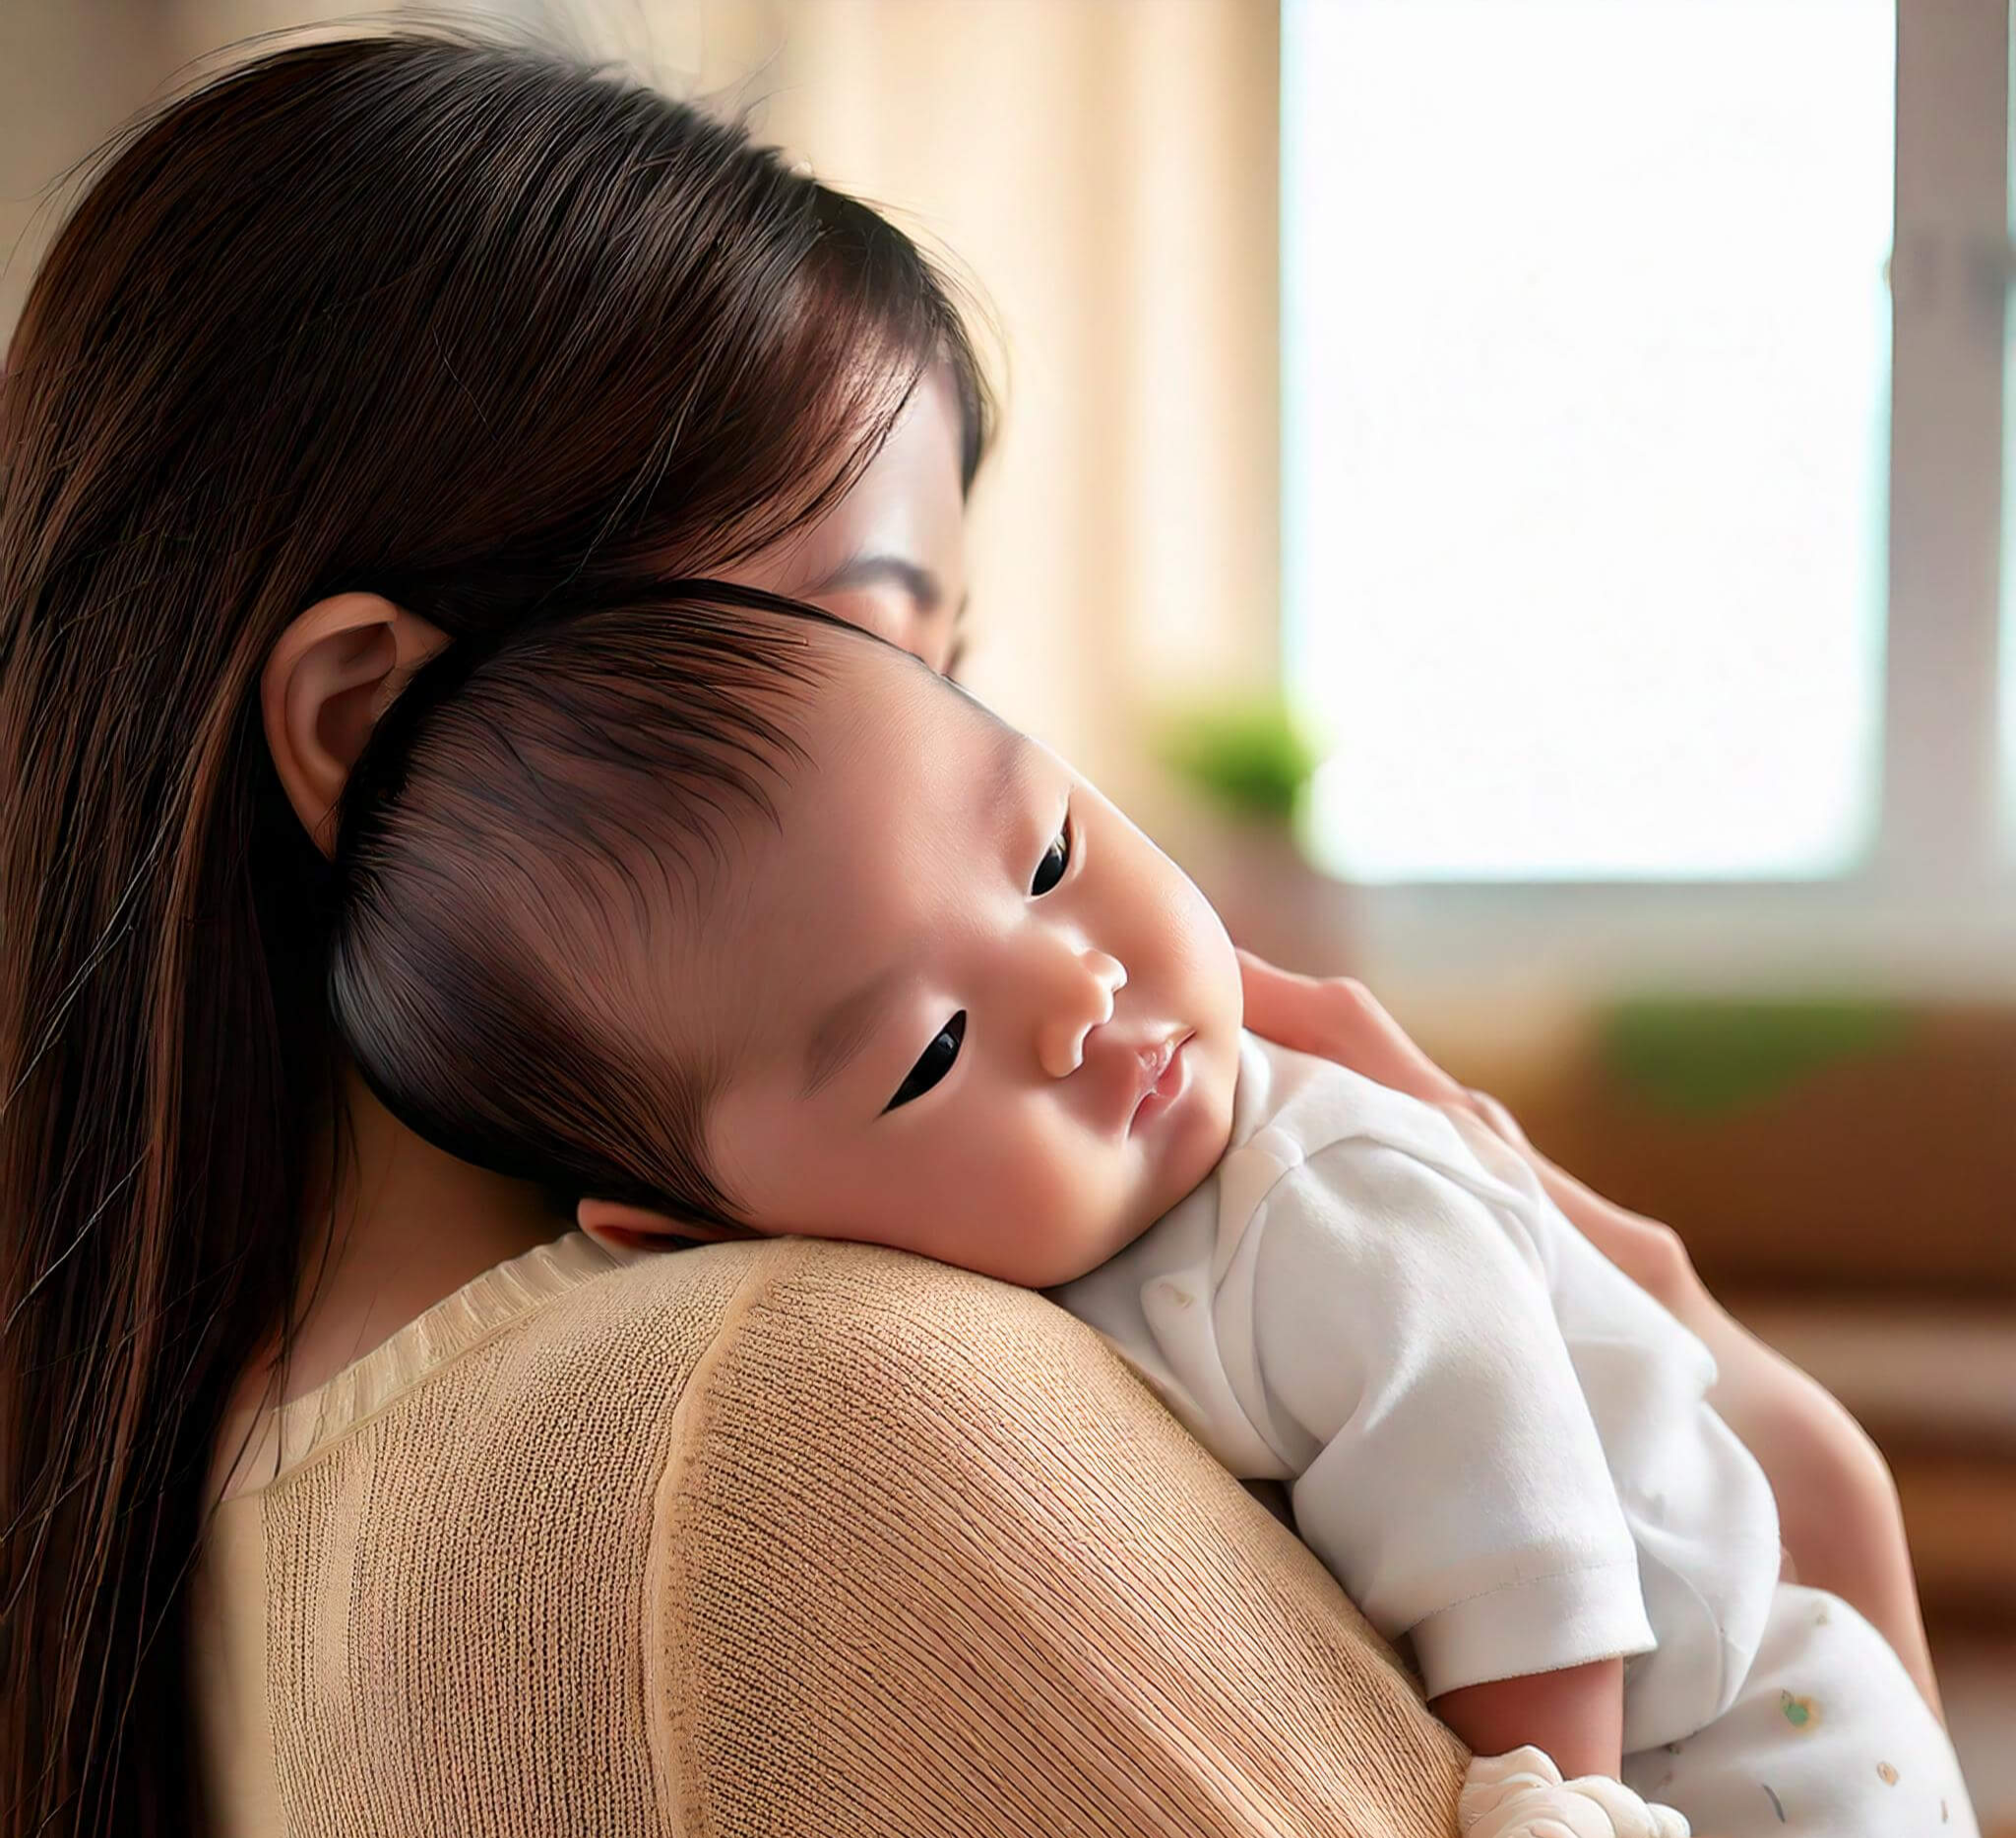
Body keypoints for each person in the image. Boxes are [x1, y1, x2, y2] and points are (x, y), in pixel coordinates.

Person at [0, 28, 1932, 1838]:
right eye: (855, 635)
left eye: (959, 688)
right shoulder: (798, 1414)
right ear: (366, 729)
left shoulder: (193, 1478)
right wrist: (1809, 1480)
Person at [317, 588, 1976, 1838]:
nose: (1078, 984)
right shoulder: (901, 1334)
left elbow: (1521, 1523)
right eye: (935, 1050)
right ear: (694, 1228)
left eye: (1046, 852)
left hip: (1760, 1727)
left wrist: (1563, 1797)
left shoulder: (1324, 1196)